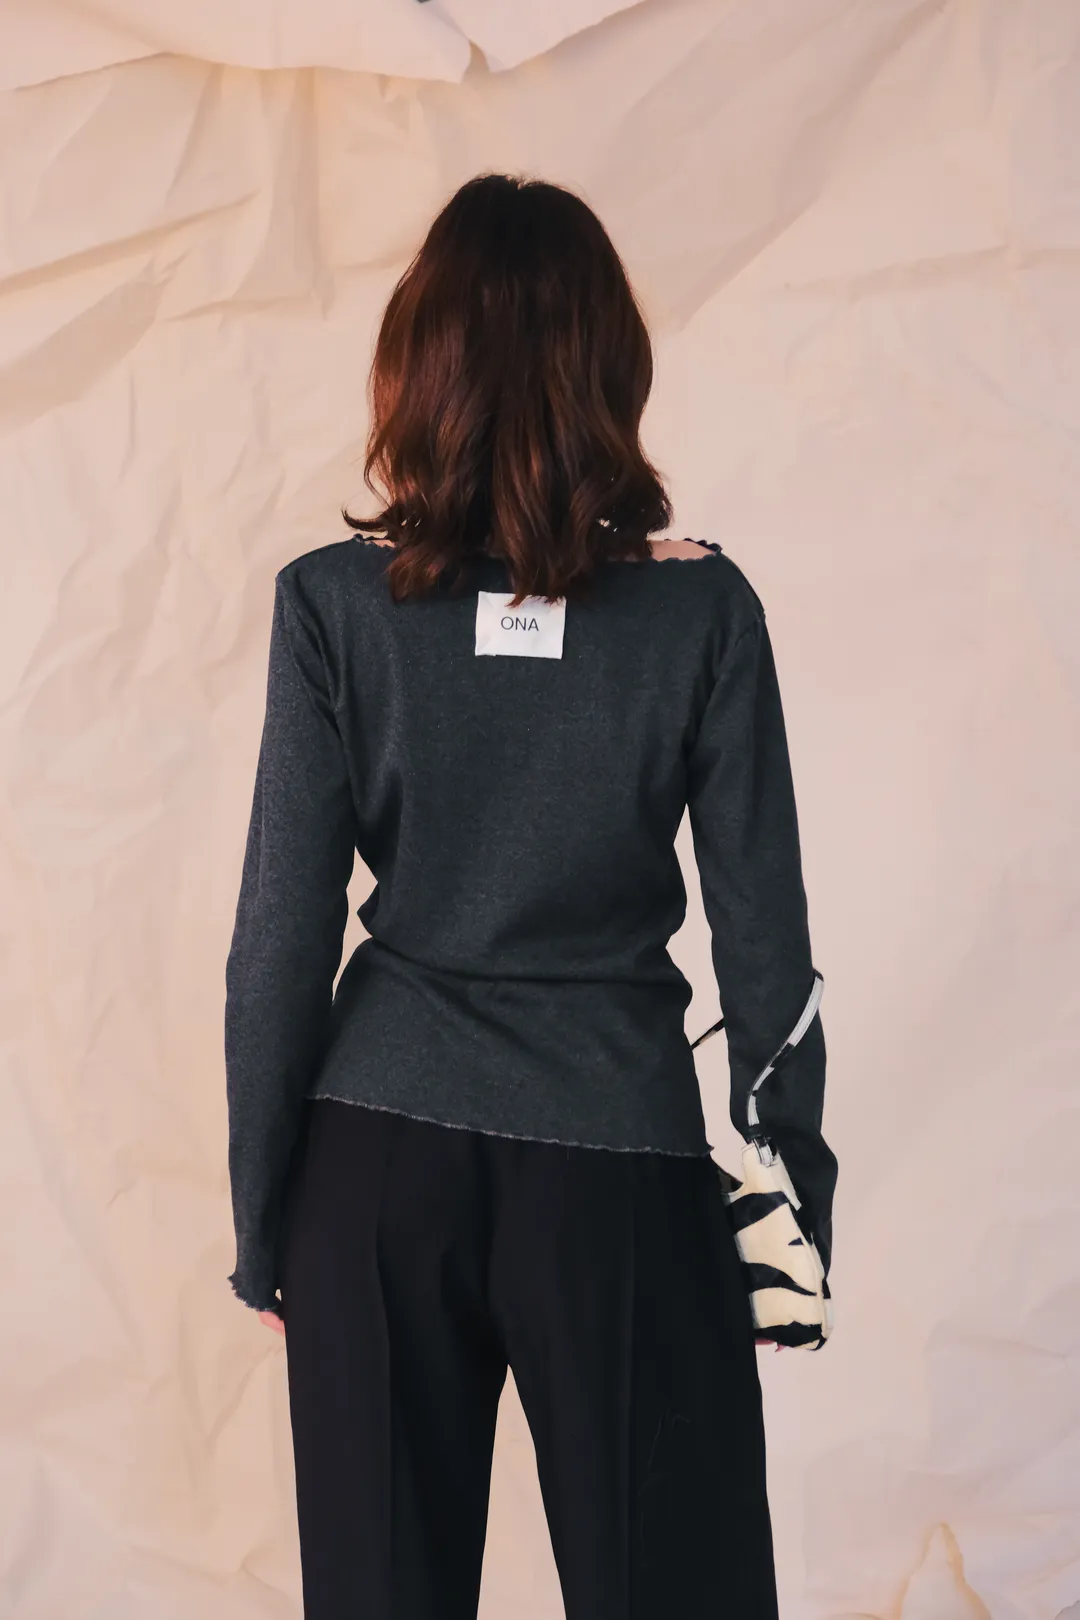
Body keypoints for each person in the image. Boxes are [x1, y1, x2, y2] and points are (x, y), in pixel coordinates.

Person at [223, 172, 837, 1620]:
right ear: (609, 369)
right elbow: (766, 944)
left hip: (373, 1168)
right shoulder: (701, 608)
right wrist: (785, 1240)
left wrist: (267, 1223)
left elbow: (277, 945)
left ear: (414, 367)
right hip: (615, 1164)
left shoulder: (335, 603)